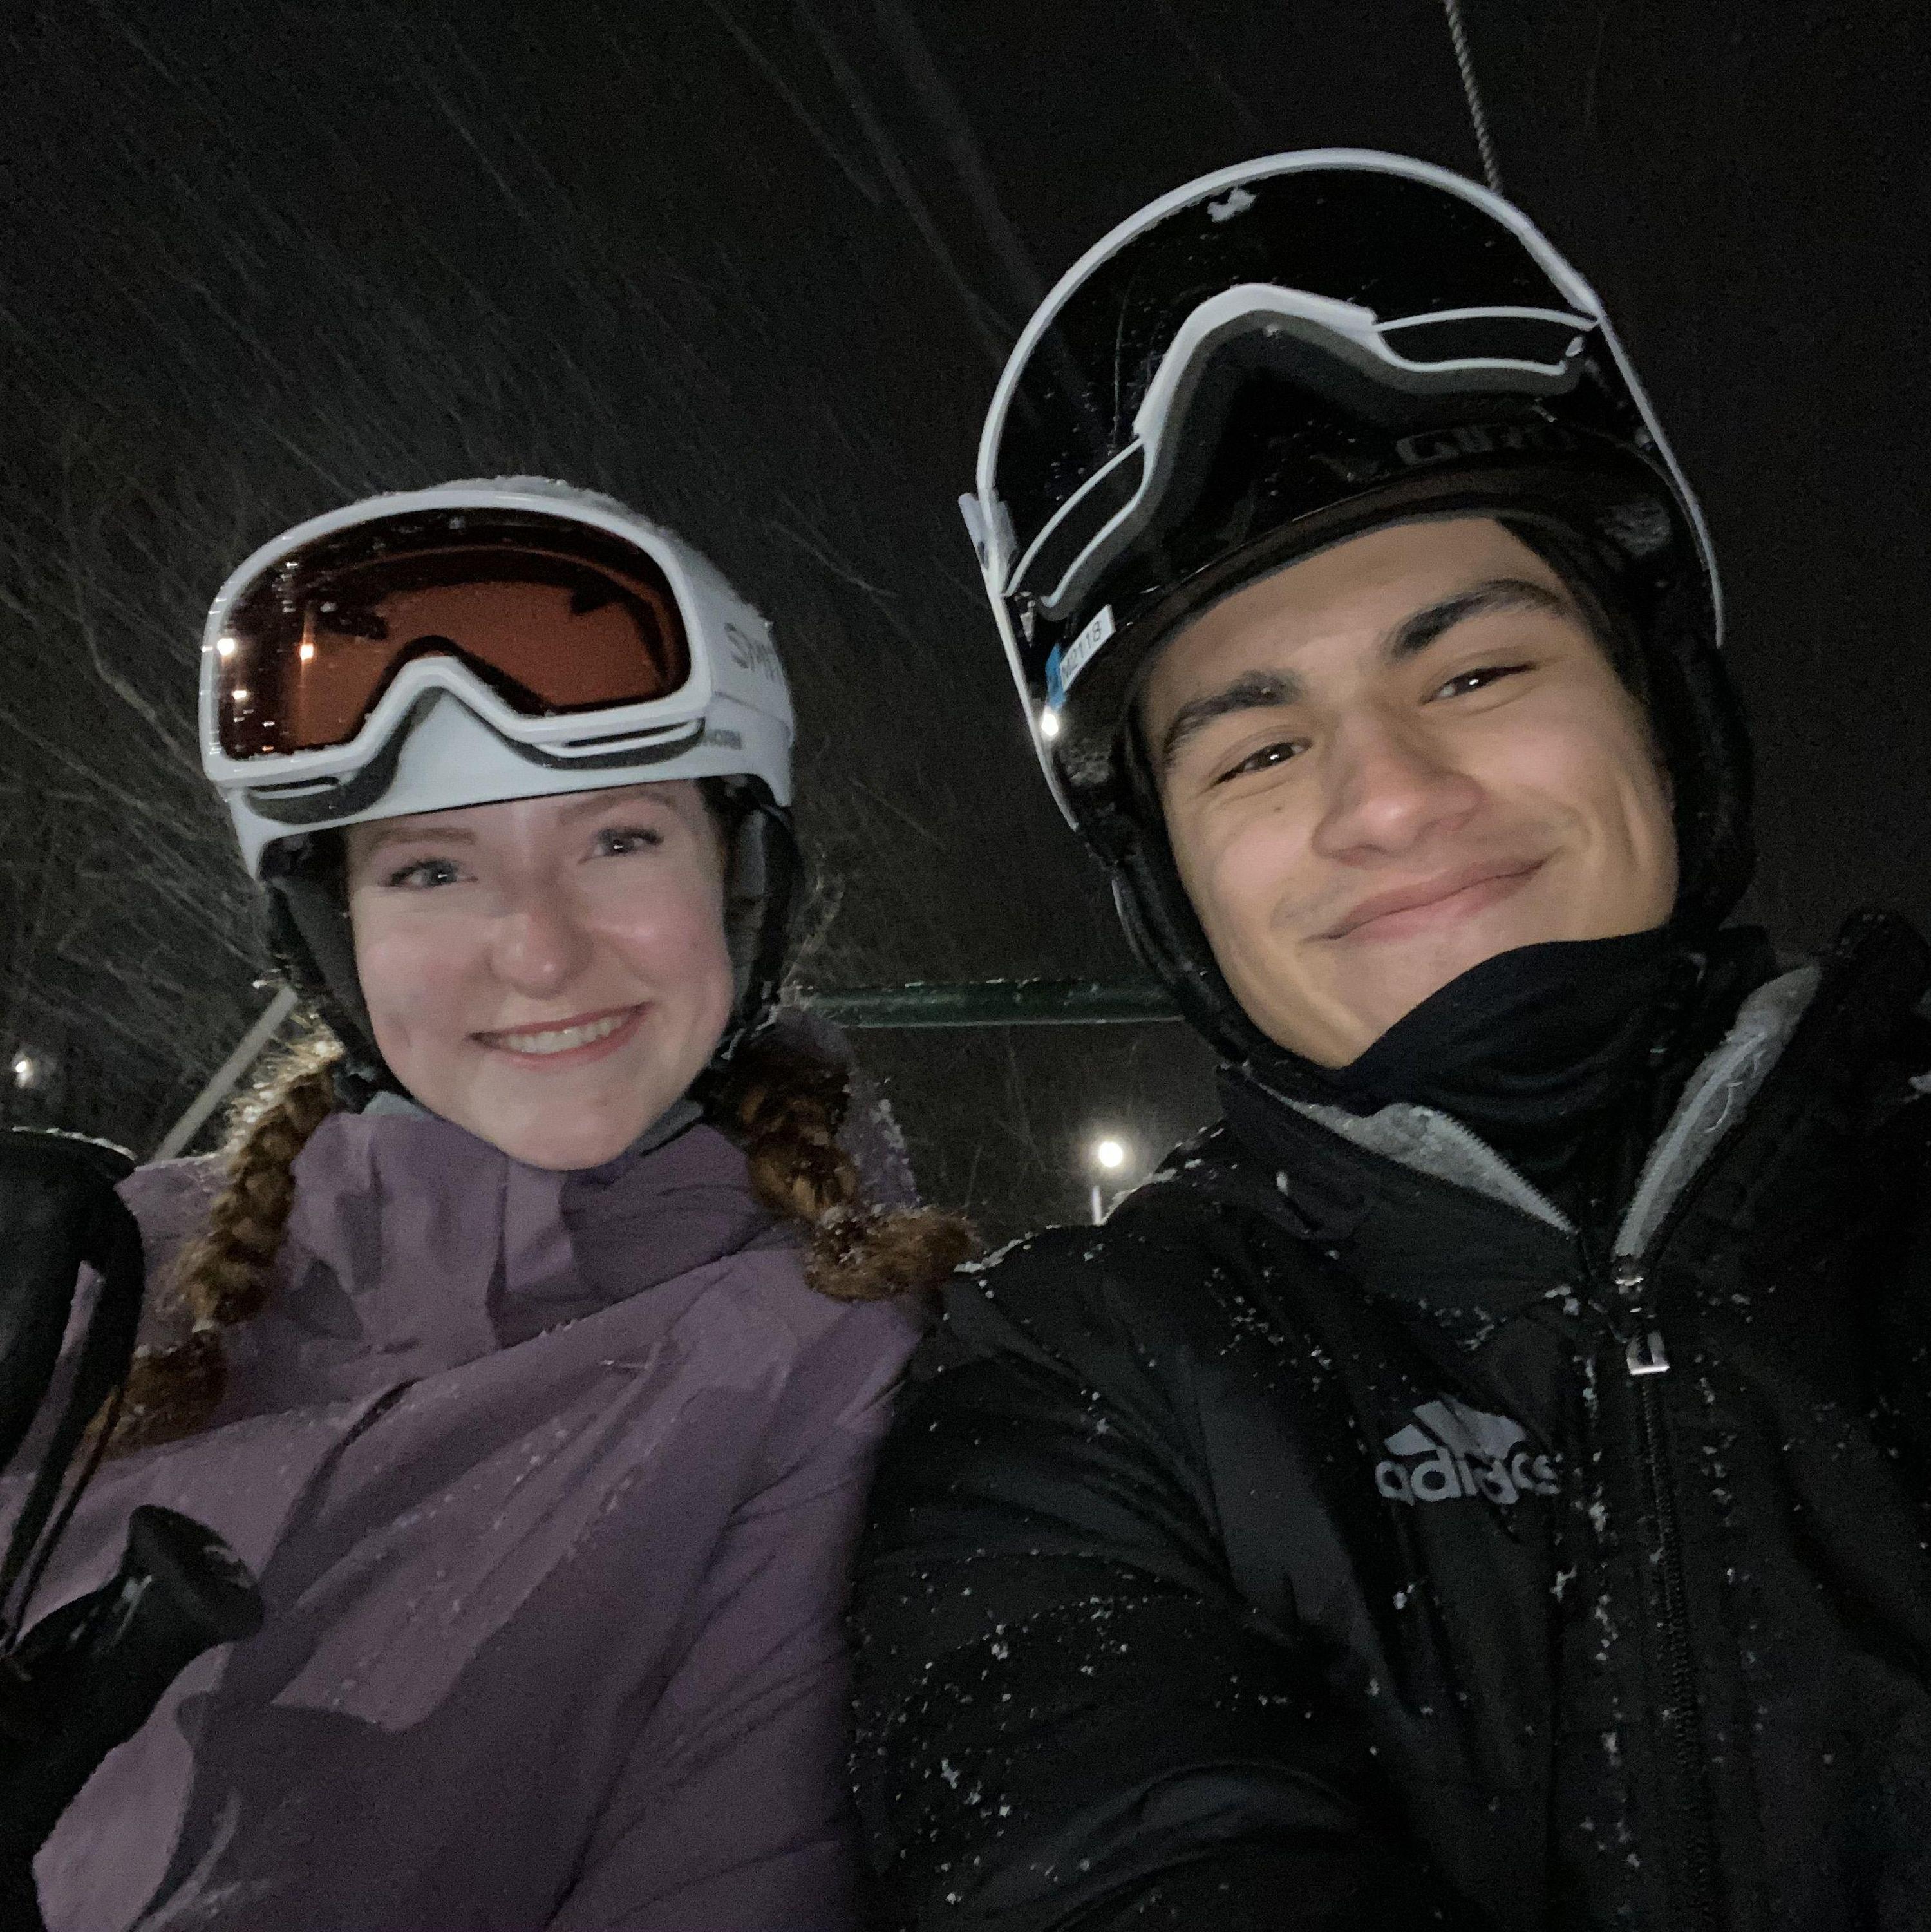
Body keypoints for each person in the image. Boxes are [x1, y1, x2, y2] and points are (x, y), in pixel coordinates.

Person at [850, 153, 1931, 1930]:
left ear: (1660, 706)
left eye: (1476, 672)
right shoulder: (1082, 1392)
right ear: (1169, 884)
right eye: (1258, 749)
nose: (1394, 799)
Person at [28, 476, 970, 1930]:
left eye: (617, 841)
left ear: (741, 874)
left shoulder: (822, 1371)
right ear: (334, 938)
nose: (537, 952)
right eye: (432, 868)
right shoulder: (101, 1279)